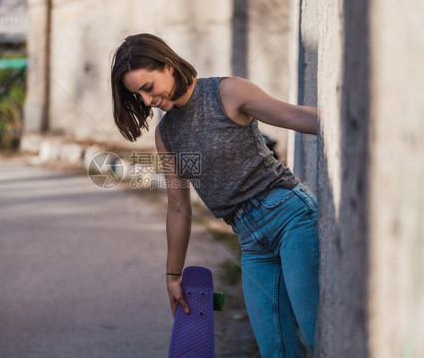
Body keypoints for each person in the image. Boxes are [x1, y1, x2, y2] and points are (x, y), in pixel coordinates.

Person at [110, 33, 319, 357]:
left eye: (148, 87)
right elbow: (179, 209)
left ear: (168, 66)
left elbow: (294, 117)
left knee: (317, 334)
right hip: (251, 243)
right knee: (277, 351)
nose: (147, 100)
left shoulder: (227, 92)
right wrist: (173, 276)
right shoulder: (167, 134)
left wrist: (362, 122)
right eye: (138, 94)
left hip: (291, 216)